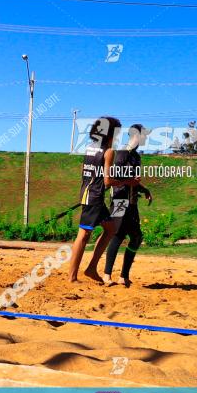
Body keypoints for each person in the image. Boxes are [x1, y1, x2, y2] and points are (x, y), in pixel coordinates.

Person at [68, 116, 135, 283]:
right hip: (95, 197)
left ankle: (91, 268)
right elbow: (107, 181)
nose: (118, 137)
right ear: (109, 134)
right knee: (83, 236)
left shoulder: (89, 148)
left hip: (88, 193)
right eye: (117, 133)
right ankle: (72, 277)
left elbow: (84, 171)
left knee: (110, 229)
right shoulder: (108, 152)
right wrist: (128, 181)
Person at [103, 124, 153, 287]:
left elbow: (134, 181)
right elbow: (114, 177)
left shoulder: (136, 157)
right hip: (119, 200)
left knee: (136, 237)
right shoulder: (122, 153)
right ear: (136, 136)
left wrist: (144, 189)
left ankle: (124, 275)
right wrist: (130, 181)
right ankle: (107, 275)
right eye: (144, 135)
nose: (146, 138)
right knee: (117, 235)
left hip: (132, 202)